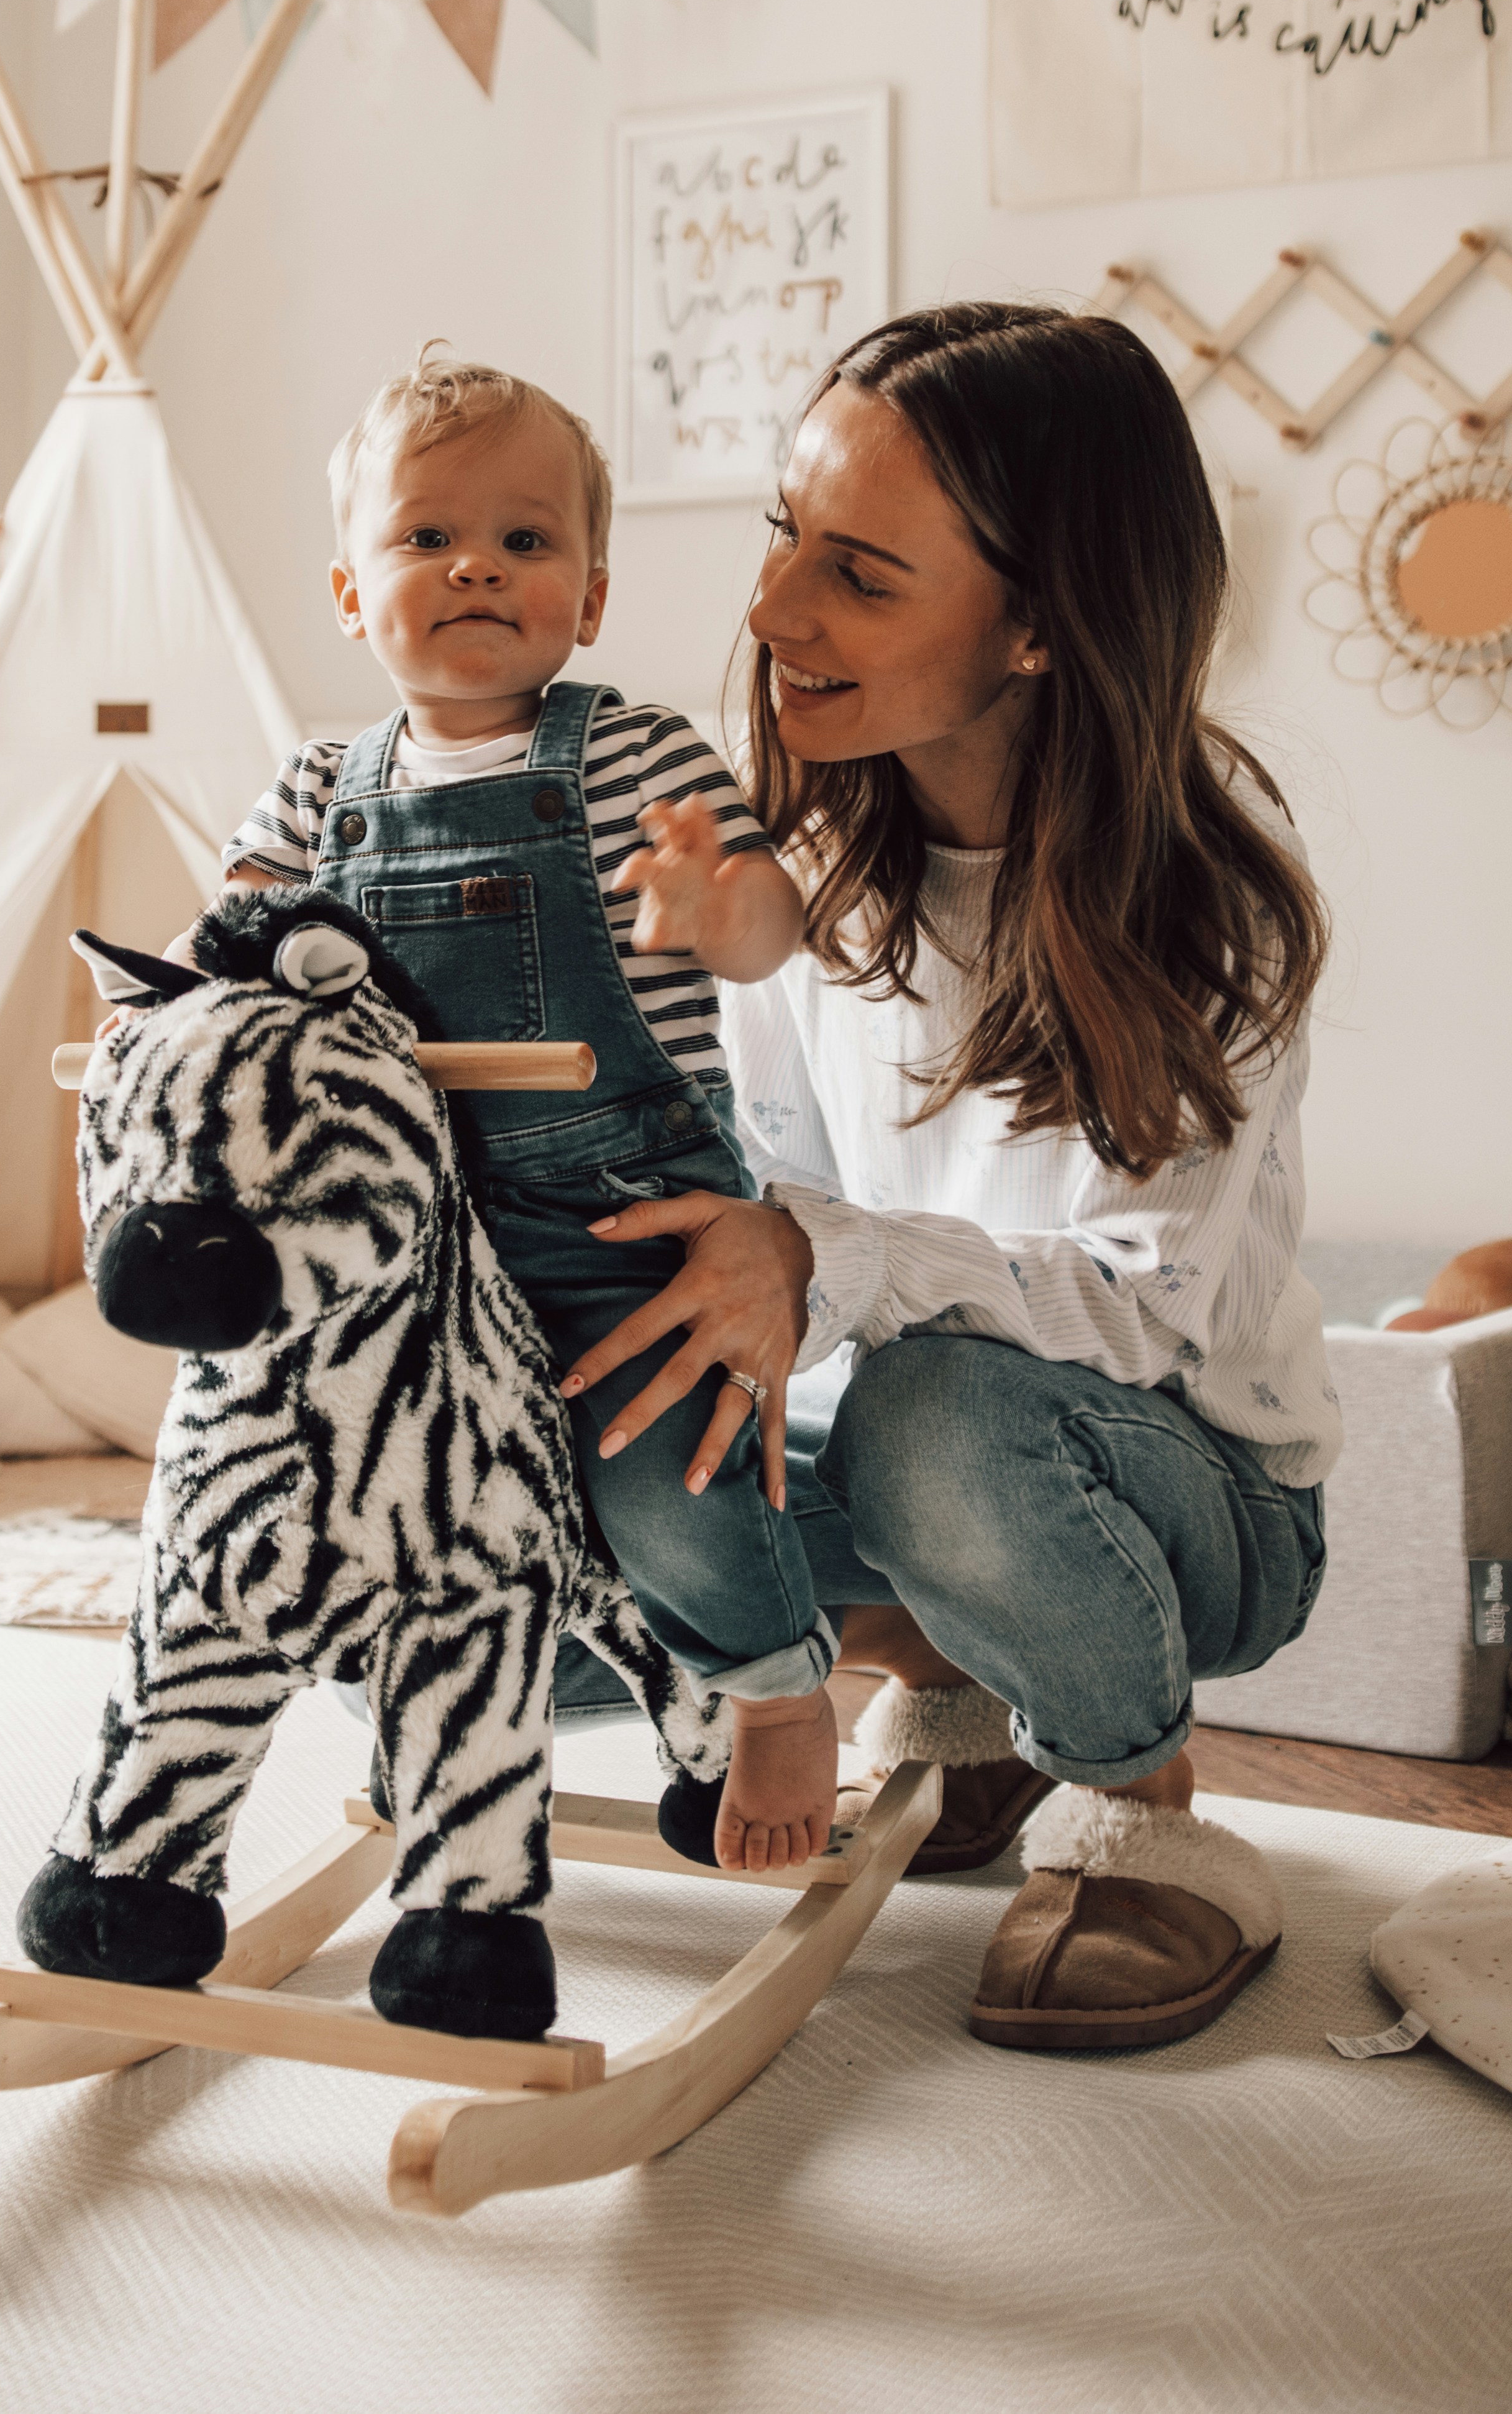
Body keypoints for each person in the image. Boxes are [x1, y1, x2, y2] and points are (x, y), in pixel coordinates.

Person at [554, 301, 1334, 2051]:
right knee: (601, 1429)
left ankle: (1146, 1804)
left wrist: (816, 1262)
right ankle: (953, 1696)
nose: (770, 612)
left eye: (859, 573)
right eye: (780, 533)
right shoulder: (810, 873)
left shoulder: (1216, 902)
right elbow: (769, 1189)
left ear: (1043, 623)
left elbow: (1138, 1310)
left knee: (928, 1415)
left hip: (1198, 1492)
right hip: (932, 1442)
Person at [192, 345, 842, 1870]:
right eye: (426, 537)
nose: (476, 563)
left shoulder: (633, 755)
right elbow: (221, 955)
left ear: (589, 597)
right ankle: (458, 1714)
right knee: (379, 1505)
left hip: (618, 1219)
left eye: (525, 540)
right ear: (353, 596)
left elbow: (769, 938)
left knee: (666, 1483)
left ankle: (774, 1689)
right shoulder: (311, 792)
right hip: (406, 1245)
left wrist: (714, 898)